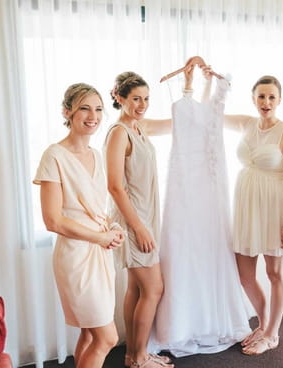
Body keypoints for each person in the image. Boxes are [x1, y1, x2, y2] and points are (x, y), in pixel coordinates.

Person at [149, 60, 250, 357]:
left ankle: (205, 320)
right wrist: (197, 83)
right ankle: (180, 324)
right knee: (182, 250)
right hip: (183, 187)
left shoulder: (216, 104)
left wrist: (207, 84)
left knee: (208, 250)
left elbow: (206, 112)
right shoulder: (189, 104)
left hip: (209, 189)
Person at [34, 83, 125, 368]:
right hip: (75, 256)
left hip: (100, 253)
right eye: (84, 108)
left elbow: (98, 209)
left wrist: (113, 228)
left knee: (89, 332)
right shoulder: (54, 156)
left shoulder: (96, 155)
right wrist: (99, 237)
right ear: (67, 112)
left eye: (98, 109)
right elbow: (53, 220)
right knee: (107, 338)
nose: (93, 116)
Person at [222, 74, 283, 355]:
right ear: (253, 98)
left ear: (279, 100)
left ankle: (272, 333)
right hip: (245, 204)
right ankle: (264, 323)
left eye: (271, 97)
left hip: (274, 206)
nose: (266, 102)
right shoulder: (245, 124)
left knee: (275, 272)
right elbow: (212, 112)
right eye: (261, 96)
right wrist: (211, 79)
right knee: (245, 274)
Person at [104, 72, 174, 368]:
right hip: (134, 221)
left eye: (146, 99)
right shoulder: (119, 132)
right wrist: (139, 228)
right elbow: (115, 186)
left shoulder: (139, 126)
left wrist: (189, 88)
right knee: (153, 288)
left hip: (145, 217)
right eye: (136, 99)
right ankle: (139, 356)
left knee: (136, 287)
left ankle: (134, 356)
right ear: (120, 98)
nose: (142, 104)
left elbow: (176, 124)